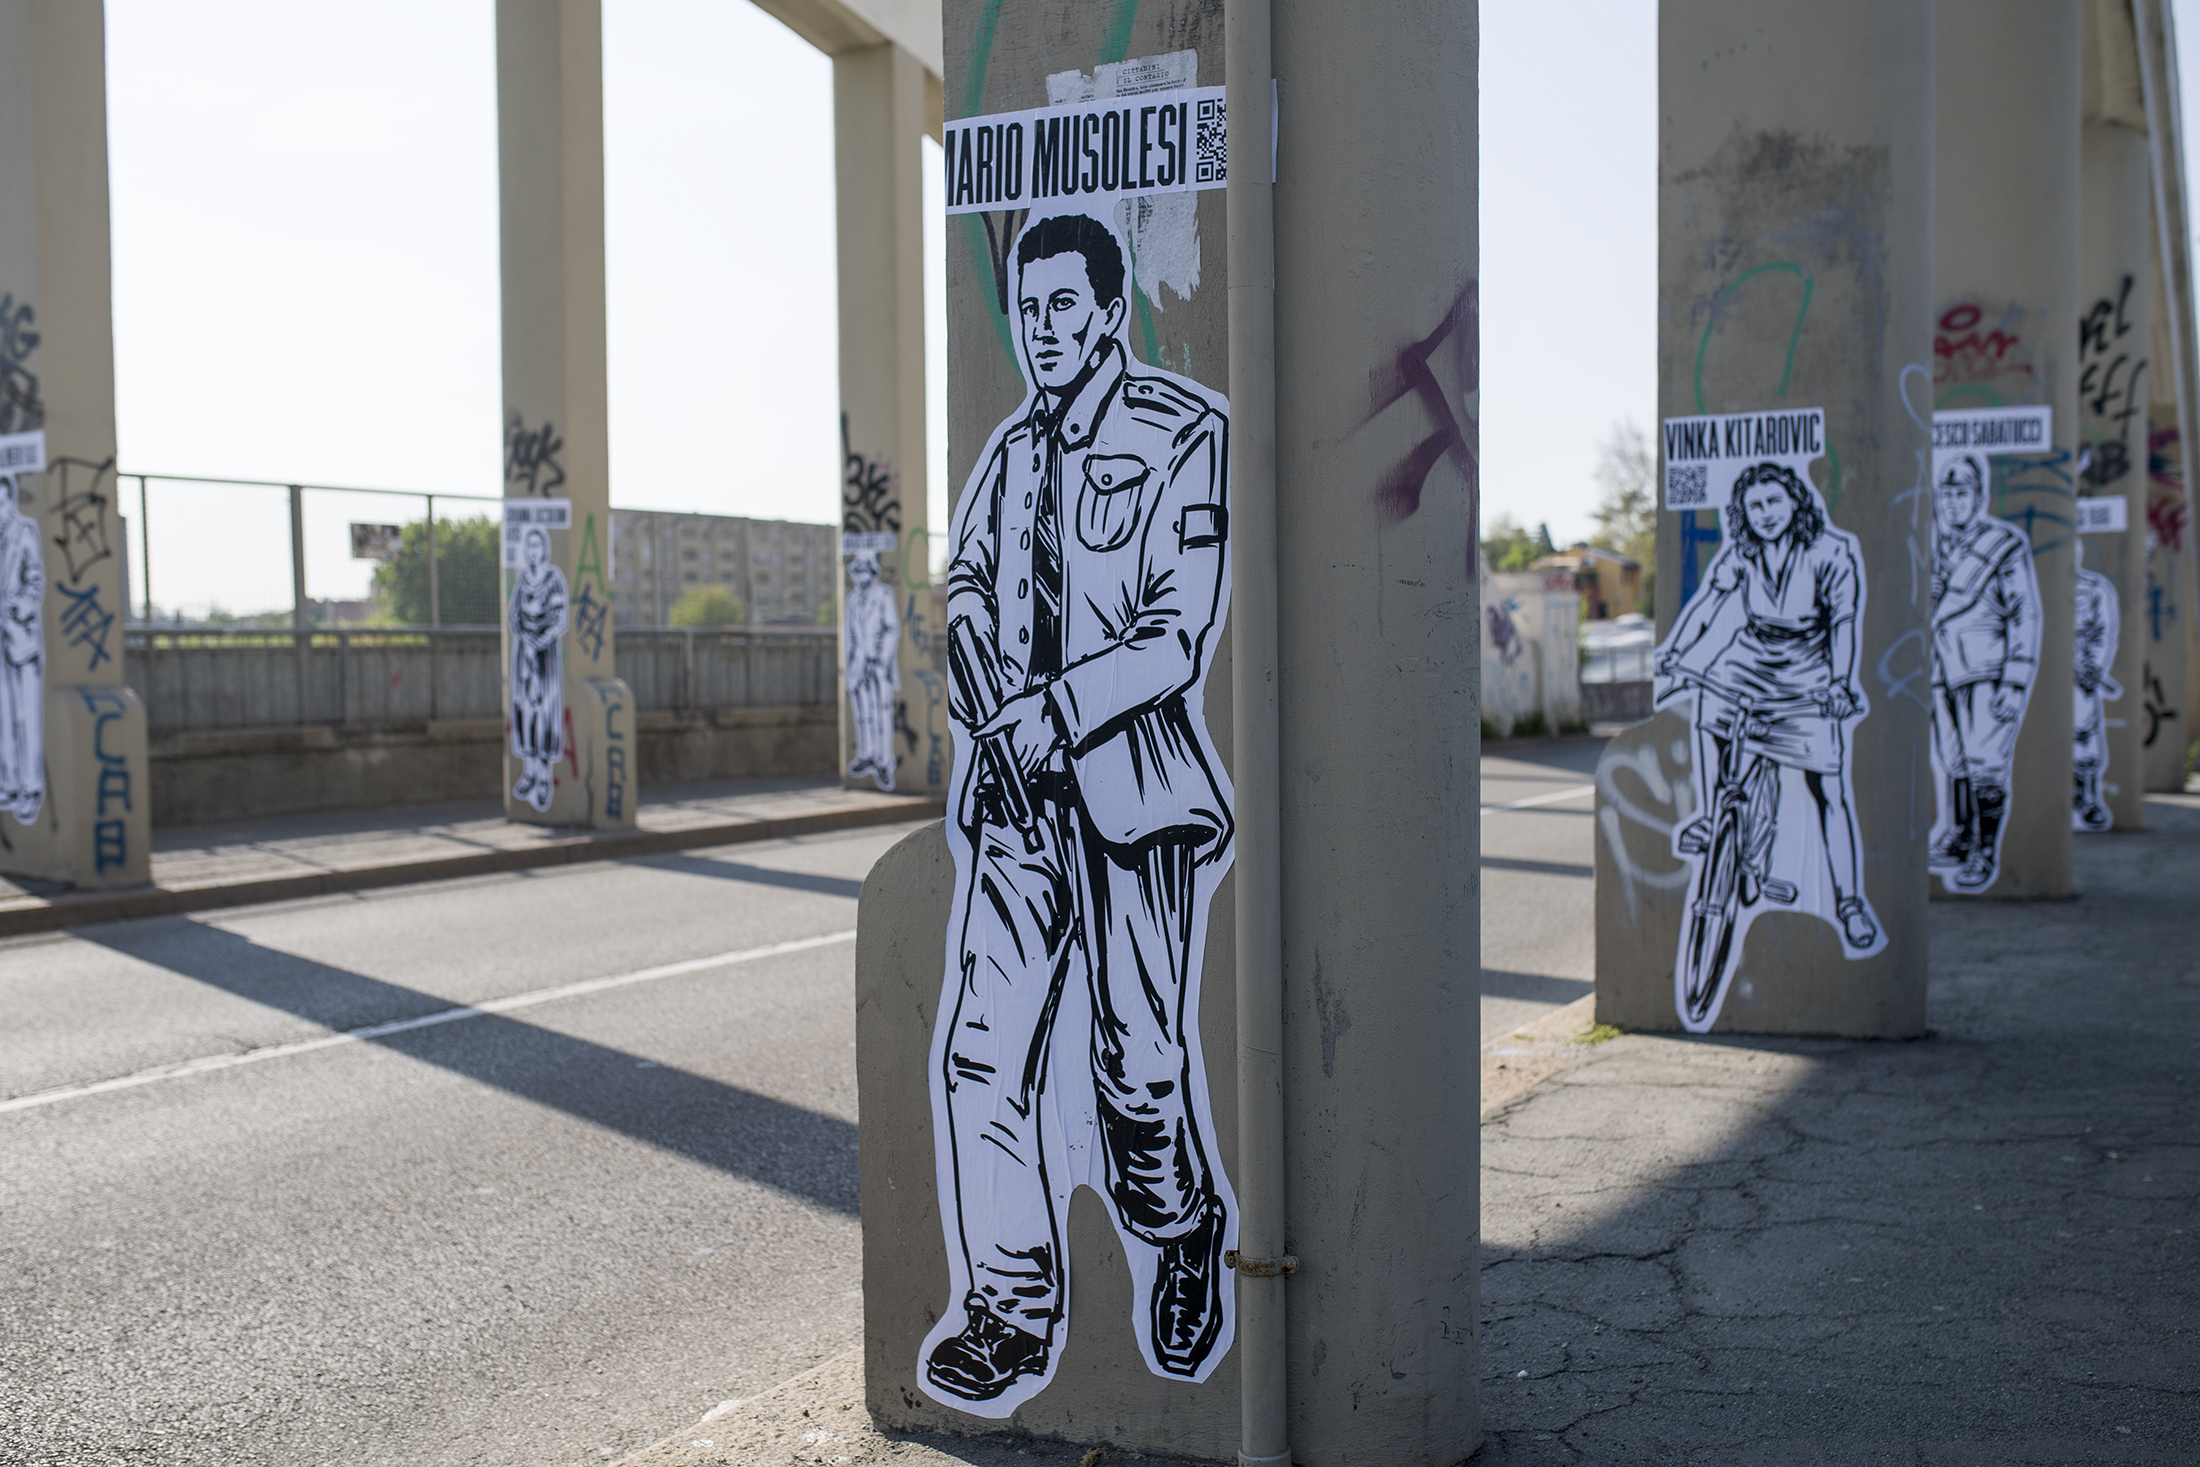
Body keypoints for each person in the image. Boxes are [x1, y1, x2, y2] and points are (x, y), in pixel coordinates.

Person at [925, 211, 1234, 1409]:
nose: (1041, 329)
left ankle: (1185, 1227)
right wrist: (973, 649)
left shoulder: (1179, 435)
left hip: (1129, 798)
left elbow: (1174, 634)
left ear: (1108, 311)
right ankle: (1009, 1308)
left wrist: (1052, 711)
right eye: (1027, 308)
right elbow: (967, 579)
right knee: (980, 1057)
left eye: (1064, 305)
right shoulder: (1009, 454)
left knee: (1136, 1070)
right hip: (1017, 807)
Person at [1657, 460, 1880, 951]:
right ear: (1744, 513)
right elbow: (1708, 605)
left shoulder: (1831, 553)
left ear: (1796, 501)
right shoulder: (1744, 552)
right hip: (1751, 658)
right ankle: (1714, 816)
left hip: (1808, 671)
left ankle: (1849, 903)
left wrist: (1840, 684)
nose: (1766, 514)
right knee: (1709, 706)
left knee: (1829, 790)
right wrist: (1675, 653)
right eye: (1755, 506)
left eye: (1775, 501)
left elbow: (1843, 624)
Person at [1928, 452, 2041, 890]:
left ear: (1978, 497)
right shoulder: (1933, 546)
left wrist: (2014, 680)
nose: (1953, 502)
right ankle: (1960, 834)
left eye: (1962, 493)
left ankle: (1985, 849)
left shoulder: (2001, 544)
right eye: (1947, 494)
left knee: (1986, 763)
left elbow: (2024, 614)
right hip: (1941, 670)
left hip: (1985, 669)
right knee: (1953, 758)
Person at [508, 525, 568, 814]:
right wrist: (526, 641)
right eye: (529, 546)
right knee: (525, 712)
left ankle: (544, 778)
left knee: (544, 714)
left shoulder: (553, 579)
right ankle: (529, 773)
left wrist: (538, 643)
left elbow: (559, 619)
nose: (533, 551)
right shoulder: (522, 579)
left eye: (537, 546)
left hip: (545, 657)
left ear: (545, 549)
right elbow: (514, 615)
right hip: (525, 657)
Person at [0, 473, 43, 822]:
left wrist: (19, 607)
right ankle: (8, 785)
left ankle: (30, 789)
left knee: (26, 717)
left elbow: (36, 581)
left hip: (19, 638)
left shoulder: (25, 531)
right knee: (2, 717)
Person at [842, 550, 899, 791]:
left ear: (872, 572)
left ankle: (883, 762)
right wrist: (850, 666)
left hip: (878, 664)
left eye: (863, 570)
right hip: (859, 664)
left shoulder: (884, 595)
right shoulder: (852, 599)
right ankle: (866, 755)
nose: (859, 575)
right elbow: (849, 635)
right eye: (856, 571)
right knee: (863, 714)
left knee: (881, 714)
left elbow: (891, 628)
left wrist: (882, 659)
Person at [2073, 539, 2120, 831]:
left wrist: (2094, 667)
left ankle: (2086, 797)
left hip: (2080, 675)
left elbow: (2103, 633)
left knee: (2083, 733)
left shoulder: (2093, 589)